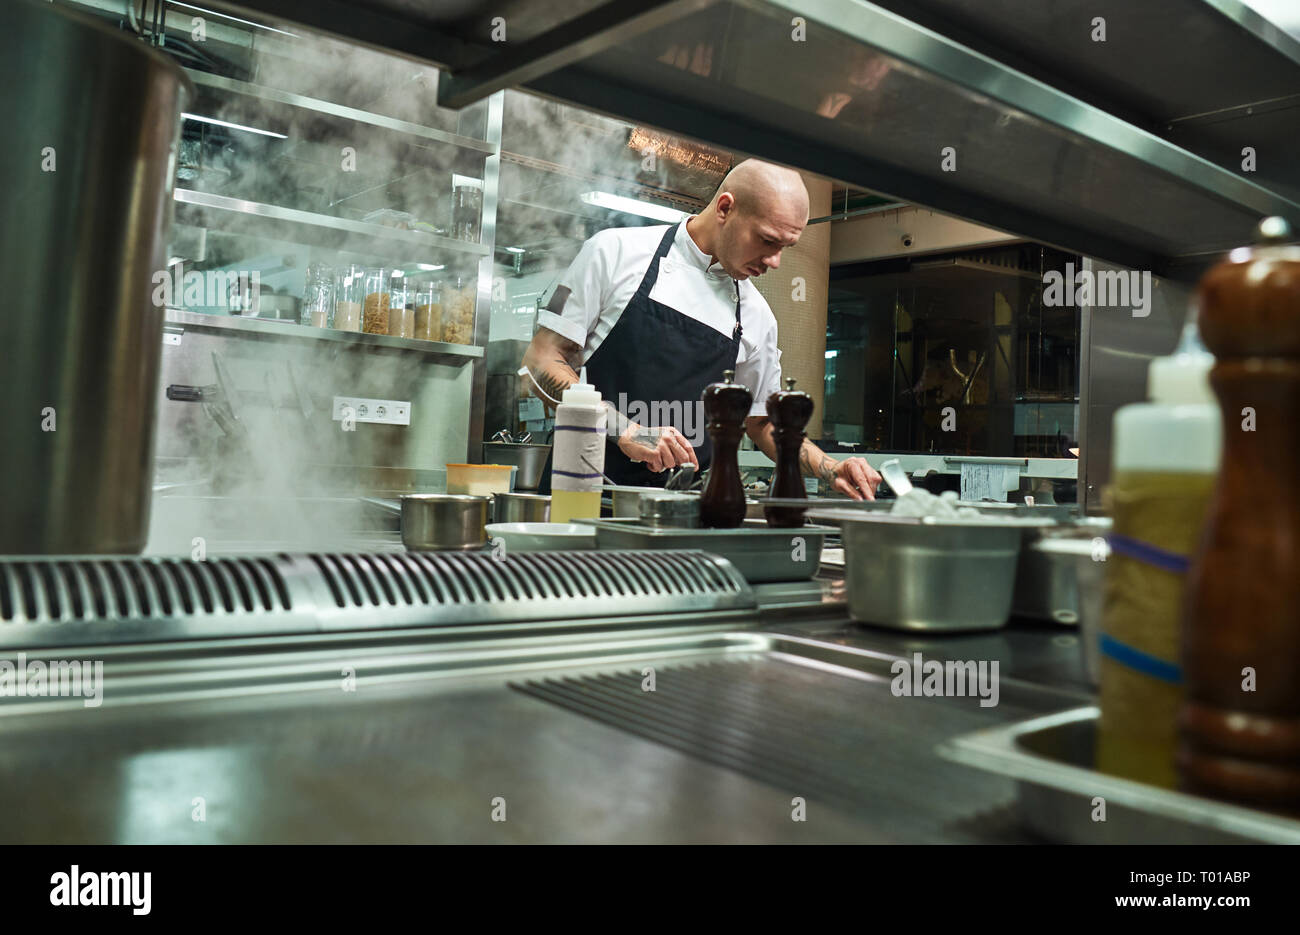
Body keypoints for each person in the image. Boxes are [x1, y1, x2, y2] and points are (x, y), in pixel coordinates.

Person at [521, 158, 881, 498]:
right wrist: (627, 431)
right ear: (725, 208)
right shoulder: (614, 252)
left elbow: (762, 423)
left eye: (786, 247)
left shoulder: (757, 315)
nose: (775, 261)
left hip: (682, 515)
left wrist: (830, 468)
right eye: (768, 240)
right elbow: (540, 361)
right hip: (581, 497)